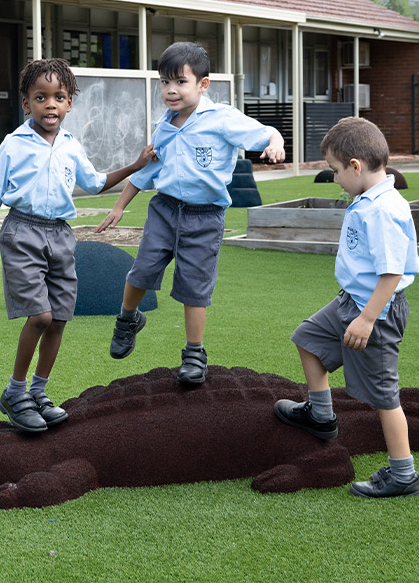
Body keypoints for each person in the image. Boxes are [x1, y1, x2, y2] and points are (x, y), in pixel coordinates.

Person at [0, 58, 155, 433]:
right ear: (27, 103)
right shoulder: (13, 144)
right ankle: (15, 391)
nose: (50, 105)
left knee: (59, 319)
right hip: (22, 232)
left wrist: (135, 165)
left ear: (69, 103)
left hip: (60, 234)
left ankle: (39, 394)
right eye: (40, 97)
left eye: (59, 97)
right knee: (39, 316)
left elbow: (95, 183)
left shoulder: (72, 146)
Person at [95, 41, 285, 384]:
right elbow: (146, 172)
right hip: (165, 210)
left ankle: (194, 352)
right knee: (142, 270)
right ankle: (127, 319)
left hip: (206, 216)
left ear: (203, 84)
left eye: (180, 82)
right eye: (165, 82)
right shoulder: (163, 126)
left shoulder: (222, 119)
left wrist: (275, 143)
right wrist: (119, 207)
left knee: (194, 286)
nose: (171, 90)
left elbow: (267, 132)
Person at [274, 116, 419, 498]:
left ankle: (403, 473)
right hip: (349, 302)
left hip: (376, 311)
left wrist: (367, 319)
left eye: (335, 171)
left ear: (356, 166)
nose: (334, 179)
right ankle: (321, 415)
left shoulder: (383, 210)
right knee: (306, 338)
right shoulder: (366, 199)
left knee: (384, 397)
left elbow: (391, 274)